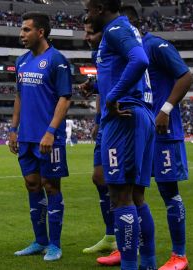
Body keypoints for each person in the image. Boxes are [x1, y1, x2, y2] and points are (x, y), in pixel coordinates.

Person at [98, 7, 193, 270]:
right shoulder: (128, 46)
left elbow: (186, 75)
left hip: (162, 128)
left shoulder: (156, 45)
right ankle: (134, 252)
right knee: (134, 195)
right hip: (139, 125)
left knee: (167, 192)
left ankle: (179, 255)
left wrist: (165, 109)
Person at [85, 1, 156, 269]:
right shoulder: (126, 29)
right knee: (137, 197)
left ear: (101, 8)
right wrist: (95, 87)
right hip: (139, 114)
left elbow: (140, 60)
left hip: (123, 116)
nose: (87, 15)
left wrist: (113, 96)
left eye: (88, 10)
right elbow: (123, 67)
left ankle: (129, 265)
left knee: (120, 198)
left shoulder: (115, 29)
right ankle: (147, 264)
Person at [9, 12, 72, 261]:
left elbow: (65, 98)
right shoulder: (22, 61)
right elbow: (19, 97)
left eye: (26, 30)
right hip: (26, 136)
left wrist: (50, 131)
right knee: (32, 184)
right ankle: (40, 240)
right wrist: (13, 130)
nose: (21, 35)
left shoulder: (57, 60)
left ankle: (55, 244)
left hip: (48, 138)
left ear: (41, 32)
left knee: (51, 186)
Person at [78, 16, 116, 255]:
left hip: (121, 122)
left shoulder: (118, 50)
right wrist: (97, 117)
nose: (86, 37)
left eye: (90, 33)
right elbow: (104, 85)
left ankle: (128, 240)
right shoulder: (97, 56)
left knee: (123, 186)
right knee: (99, 178)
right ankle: (111, 236)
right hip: (105, 123)